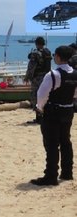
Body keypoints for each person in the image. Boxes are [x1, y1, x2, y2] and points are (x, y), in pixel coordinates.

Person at [30, 45, 76, 186]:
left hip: (53, 112)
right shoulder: (75, 73)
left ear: (57, 56)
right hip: (68, 110)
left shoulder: (53, 75)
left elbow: (42, 94)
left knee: (51, 144)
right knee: (65, 141)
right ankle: (67, 172)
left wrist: (39, 108)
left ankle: (51, 176)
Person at [25, 36, 52, 124]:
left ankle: (39, 118)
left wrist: (27, 76)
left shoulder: (36, 53)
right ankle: (46, 117)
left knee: (36, 96)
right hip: (47, 76)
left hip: (37, 78)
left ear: (36, 43)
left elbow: (31, 67)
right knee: (45, 96)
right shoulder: (47, 52)